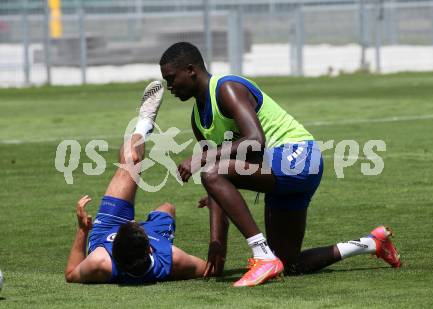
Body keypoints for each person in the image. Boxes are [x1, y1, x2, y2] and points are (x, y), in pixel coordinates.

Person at [159, 42, 401, 287]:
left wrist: (203, 158)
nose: (169, 87)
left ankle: (262, 257)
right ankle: (372, 243)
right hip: (280, 175)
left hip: (298, 156)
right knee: (290, 264)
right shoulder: (197, 120)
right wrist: (217, 247)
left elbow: (255, 140)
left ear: (190, 70)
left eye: (171, 78)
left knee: (212, 172)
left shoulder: (226, 88)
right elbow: (218, 188)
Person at [64, 81, 206, 284]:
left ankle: (144, 123)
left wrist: (82, 230)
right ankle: (144, 125)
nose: (131, 221)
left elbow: (70, 274)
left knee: (132, 160)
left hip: (107, 227)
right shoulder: (172, 258)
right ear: (150, 248)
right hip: (152, 240)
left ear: (113, 249)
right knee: (167, 207)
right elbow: (211, 268)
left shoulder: (101, 261)